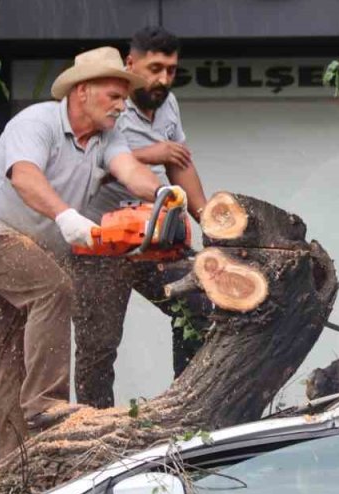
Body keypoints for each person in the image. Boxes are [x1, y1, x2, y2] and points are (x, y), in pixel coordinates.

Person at [0, 46, 169, 458]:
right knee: (54, 289)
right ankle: (46, 402)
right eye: (114, 96)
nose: (122, 106)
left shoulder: (108, 138)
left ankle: (13, 462)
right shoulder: (35, 122)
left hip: (33, 248)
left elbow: (130, 170)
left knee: (14, 354)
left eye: (125, 98)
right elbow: (24, 176)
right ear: (83, 91)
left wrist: (161, 192)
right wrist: (66, 215)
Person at [71, 26, 211, 410]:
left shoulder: (169, 104)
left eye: (170, 70)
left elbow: (179, 163)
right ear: (130, 64)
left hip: (152, 240)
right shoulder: (106, 102)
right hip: (97, 243)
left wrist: (212, 225)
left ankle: (187, 407)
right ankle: (95, 432)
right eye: (154, 68)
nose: (163, 79)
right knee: (99, 349)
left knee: (200, 300)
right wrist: (155, 152)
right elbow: (95, 155)